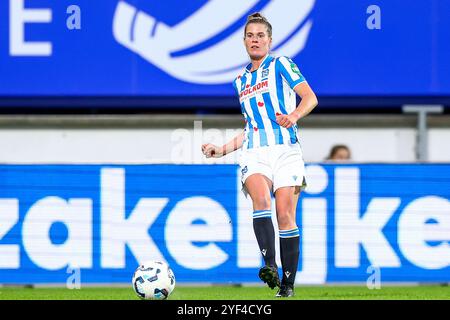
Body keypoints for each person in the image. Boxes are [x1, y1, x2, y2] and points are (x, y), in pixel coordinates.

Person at [201, 12, 318, 297]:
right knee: (261, 199)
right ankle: (269, 265)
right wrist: (221, 149)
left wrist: (293, 115)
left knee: (285, 215)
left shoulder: (281, 65)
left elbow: (310, 98)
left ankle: (287, 287)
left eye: (260, 35)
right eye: (250, 35)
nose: (255, 40)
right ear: (244, 41)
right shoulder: (240, 80)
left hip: (286, 150)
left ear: (269, 40)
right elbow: (250, 127)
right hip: (254, 151)